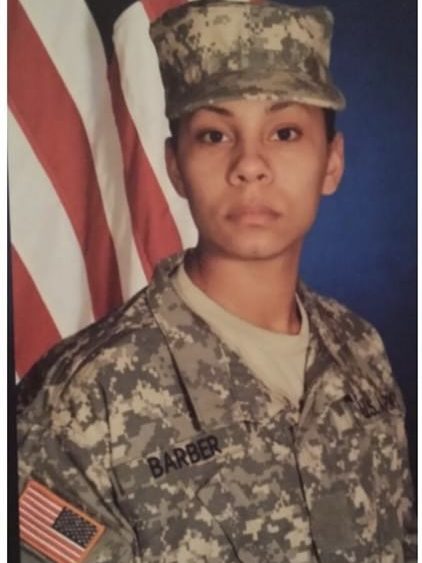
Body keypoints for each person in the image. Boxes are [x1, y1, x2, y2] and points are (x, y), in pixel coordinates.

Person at [17, 1, 416, 562]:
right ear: (175, 166)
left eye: (284, 132)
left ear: (332, 162)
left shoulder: (360, 352)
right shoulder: (80, 400)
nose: (249, 165)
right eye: (213, 135)